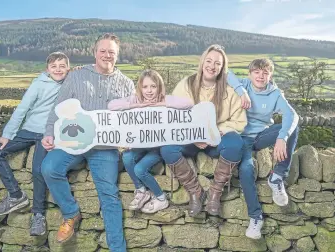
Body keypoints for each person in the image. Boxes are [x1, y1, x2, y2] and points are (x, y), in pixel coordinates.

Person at [40, 33, 134, 251]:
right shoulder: (76, 76)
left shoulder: (127, 84)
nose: (107, 55)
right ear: (94, 53)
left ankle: (117, 249)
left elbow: (131, 119)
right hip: (73, 141)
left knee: (109, 197)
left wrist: (132, 139)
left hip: (105, 148)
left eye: (111, 52)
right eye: (103, 51)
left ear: (117, 55)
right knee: (50, 168)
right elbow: (58, 107)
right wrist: (49, 133)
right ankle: (71, 213)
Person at [0, 52, 70, 236]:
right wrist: (7, 135)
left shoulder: (70, 82)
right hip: (29, 129)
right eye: (54, 66)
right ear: (47, 69)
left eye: (62, 66)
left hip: (49, 134)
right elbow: (22, 109)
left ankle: (38, 215)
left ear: (68, 69)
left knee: (38, 169)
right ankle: (16, 195)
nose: (58, 69)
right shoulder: (38, 84)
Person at [159, 44, 247, 217]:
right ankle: (195, 191)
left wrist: (216, 131)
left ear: (222, 68)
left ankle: (215, 193)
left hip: (216, 139)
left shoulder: (230, 90)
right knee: (167, 148)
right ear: (202, 62)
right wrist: (194, 135)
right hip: (190, 139)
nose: (212, 66)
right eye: (209, 61)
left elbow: (239, 121)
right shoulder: (186, 84)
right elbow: (173, 115)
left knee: (236, 144)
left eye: (217, 63)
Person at [227, 58, 299, 239]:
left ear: (270, 75)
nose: (261, 76)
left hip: (261, 136)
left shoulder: (275, 94)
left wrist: (282, 137)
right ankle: (255, 217)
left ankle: (277, 177)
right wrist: (241, 91)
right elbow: (225, 73)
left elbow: (292, 115)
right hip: (240, 138)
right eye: (257, 72)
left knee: (293, 128)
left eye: (265, 73)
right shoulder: (243, 84)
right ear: (250, 73)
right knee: (246, 169)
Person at [108, 69, 193, 213]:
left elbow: (188, 103)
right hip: (139, 145)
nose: (149, 91)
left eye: (153, 86)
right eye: (145, 87)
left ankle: (161, 198)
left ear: (159, 87)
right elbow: (111, 105)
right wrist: (137, 106)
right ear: (140, 88)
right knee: (127, 157)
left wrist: (162, 104)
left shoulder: (164, 99)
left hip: (157, 147)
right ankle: (141, 190)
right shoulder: (135, 99)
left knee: (140, 169)